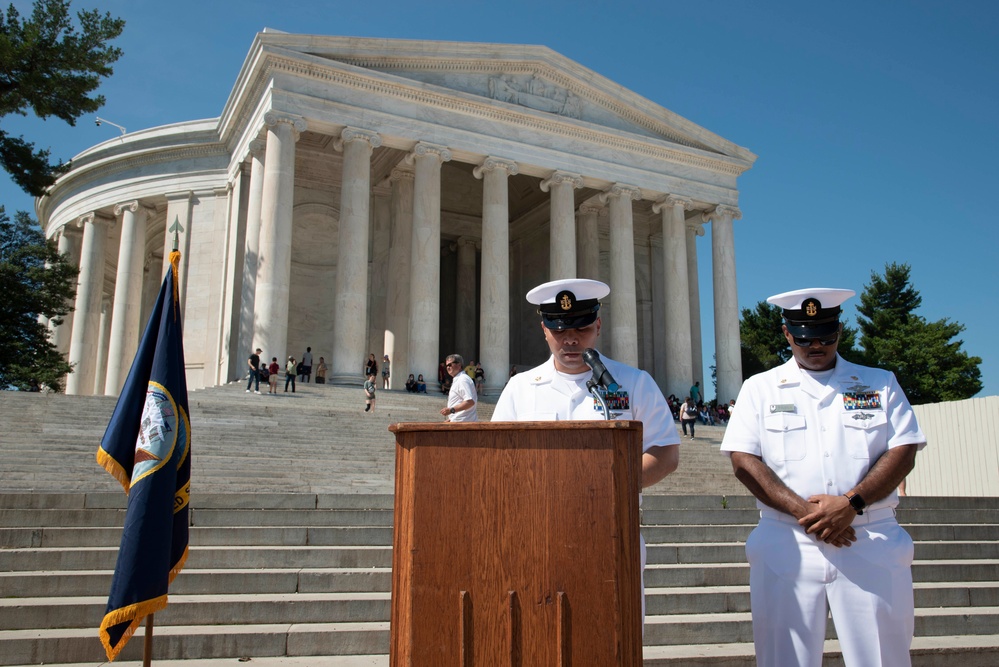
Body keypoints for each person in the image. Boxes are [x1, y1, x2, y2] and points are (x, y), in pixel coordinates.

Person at [720, 287, 926, 667]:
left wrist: (851, 504)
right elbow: (744, 461)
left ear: (839, 332)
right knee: (784, 659)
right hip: (788, 541)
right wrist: (811, 515)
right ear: (786, 334)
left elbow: (903, 451)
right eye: (803, 338)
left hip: (868, 536)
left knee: (883, 659)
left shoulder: (879, 383)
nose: (816, 345)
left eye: (826, 336)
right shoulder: (759, 389)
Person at [492, 278, 680, 618]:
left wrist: (601, 489)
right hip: (536, 537)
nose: (571, 340)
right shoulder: (520, 388)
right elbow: (496, 462)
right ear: (544, 330)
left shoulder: (633, 382)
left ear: (598, 325)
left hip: (611, 533)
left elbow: (665, 452)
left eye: (581, 328)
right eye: (560, 330)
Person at [440, 353, 478, 421]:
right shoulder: (458, 379)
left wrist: (451, 410)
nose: (448, 367)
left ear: (459, 365)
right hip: (459, 422)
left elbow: (469, 402)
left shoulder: (462, 379)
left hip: (463, 425)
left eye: (450, 364)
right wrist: (451, 418)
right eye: (446, 366)